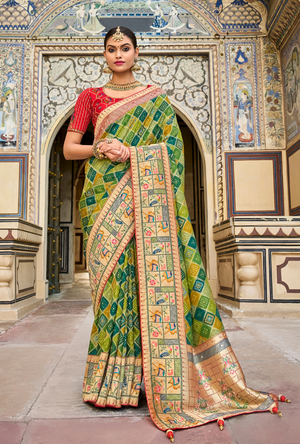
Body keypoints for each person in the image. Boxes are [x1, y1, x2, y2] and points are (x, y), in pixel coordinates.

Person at [63, 26, 284, 440]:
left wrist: (130, 152)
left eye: (124, 48)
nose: (118, 54)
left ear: (136, 51)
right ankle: (111, 383)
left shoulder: (156, 98)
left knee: (148, 285)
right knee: (111, 288)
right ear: (104, 54)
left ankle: (152, 379)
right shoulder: (89, 98)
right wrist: (100, 147)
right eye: (111, 49)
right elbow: (69, 149)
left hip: (146, 206)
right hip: (101, 201)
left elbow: (171, 152)